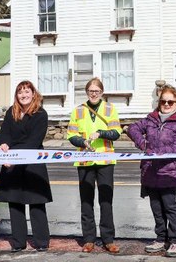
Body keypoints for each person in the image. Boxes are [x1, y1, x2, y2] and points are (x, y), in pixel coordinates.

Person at [127, 85, 176, 257]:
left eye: (170, 102)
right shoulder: (151, 119)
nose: (166, 104)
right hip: (150, 171)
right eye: (163, 101)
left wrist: (158, 152)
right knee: (157, 209)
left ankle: (175, 240)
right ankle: (161, 238)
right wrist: (143, 144)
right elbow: (132, 128)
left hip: (171, 172)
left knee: (171, 208)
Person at [0, 80, 53, 252]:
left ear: (33, 94)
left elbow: (34, 141)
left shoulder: (41, 114)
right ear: (16, 95)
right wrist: (3, 144)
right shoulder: (11, 112)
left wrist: (16, 157)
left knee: (36, 203)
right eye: (20, 92)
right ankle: (18, 242)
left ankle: (41, 242)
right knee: (15, 203)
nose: (23, 95)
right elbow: (4, 132)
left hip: (32, 163)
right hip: (12, 162)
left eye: (27, 91)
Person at [66, 78, 121, 254]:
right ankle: (89, 239)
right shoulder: (78, 110)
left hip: (105, 160)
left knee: (106, 201)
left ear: (102, 92)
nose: (94, 94)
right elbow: (71, 135)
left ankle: (108, 239)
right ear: (87, 92)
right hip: (85, 160)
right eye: (91, 91)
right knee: (86, 201)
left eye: (97, 91)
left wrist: (101, 133)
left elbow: (116, 133)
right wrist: (82, 141)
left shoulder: (110, 109)